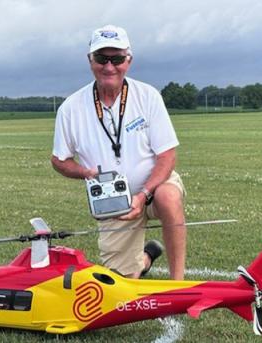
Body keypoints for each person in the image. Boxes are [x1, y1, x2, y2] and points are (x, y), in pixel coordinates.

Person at [51, 25, 186, 280]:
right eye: (102, 58)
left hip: (154, 187)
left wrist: (143, 194)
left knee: (168, 197)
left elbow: (167, 156)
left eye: (117, 59)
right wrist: (83, 172)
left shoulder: (148, 96)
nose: (109, 67)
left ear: (129, 60)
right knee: (121, 285)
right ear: (90, 60)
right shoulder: (70, 109)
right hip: (112, 202)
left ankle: (178, 283)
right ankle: (145, 260)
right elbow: (59, 160)